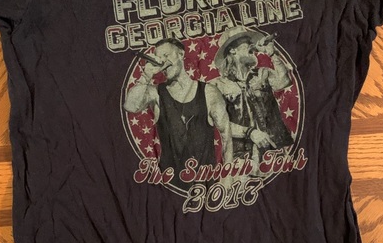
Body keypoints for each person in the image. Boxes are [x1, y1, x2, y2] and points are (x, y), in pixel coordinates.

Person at [123, 37, 233, 191]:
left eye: (166, 55)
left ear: (181, 54)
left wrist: (227, 176)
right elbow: (130, 106)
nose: (162, 61)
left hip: (206, 184)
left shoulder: (209, 92)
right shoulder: (156, 92)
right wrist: (146, 76)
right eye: (158, 58)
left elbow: (226, 135)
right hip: (170, 186)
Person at [212, 26, 295, 171]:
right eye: (246, 41)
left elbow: (284, 81)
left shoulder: (263, 74)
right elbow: (219, 123)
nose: (252, 44)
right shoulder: (217, 85)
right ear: (232, 50)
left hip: (275, 151)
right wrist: (250, 132)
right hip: (241, 157)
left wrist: (273, 54)